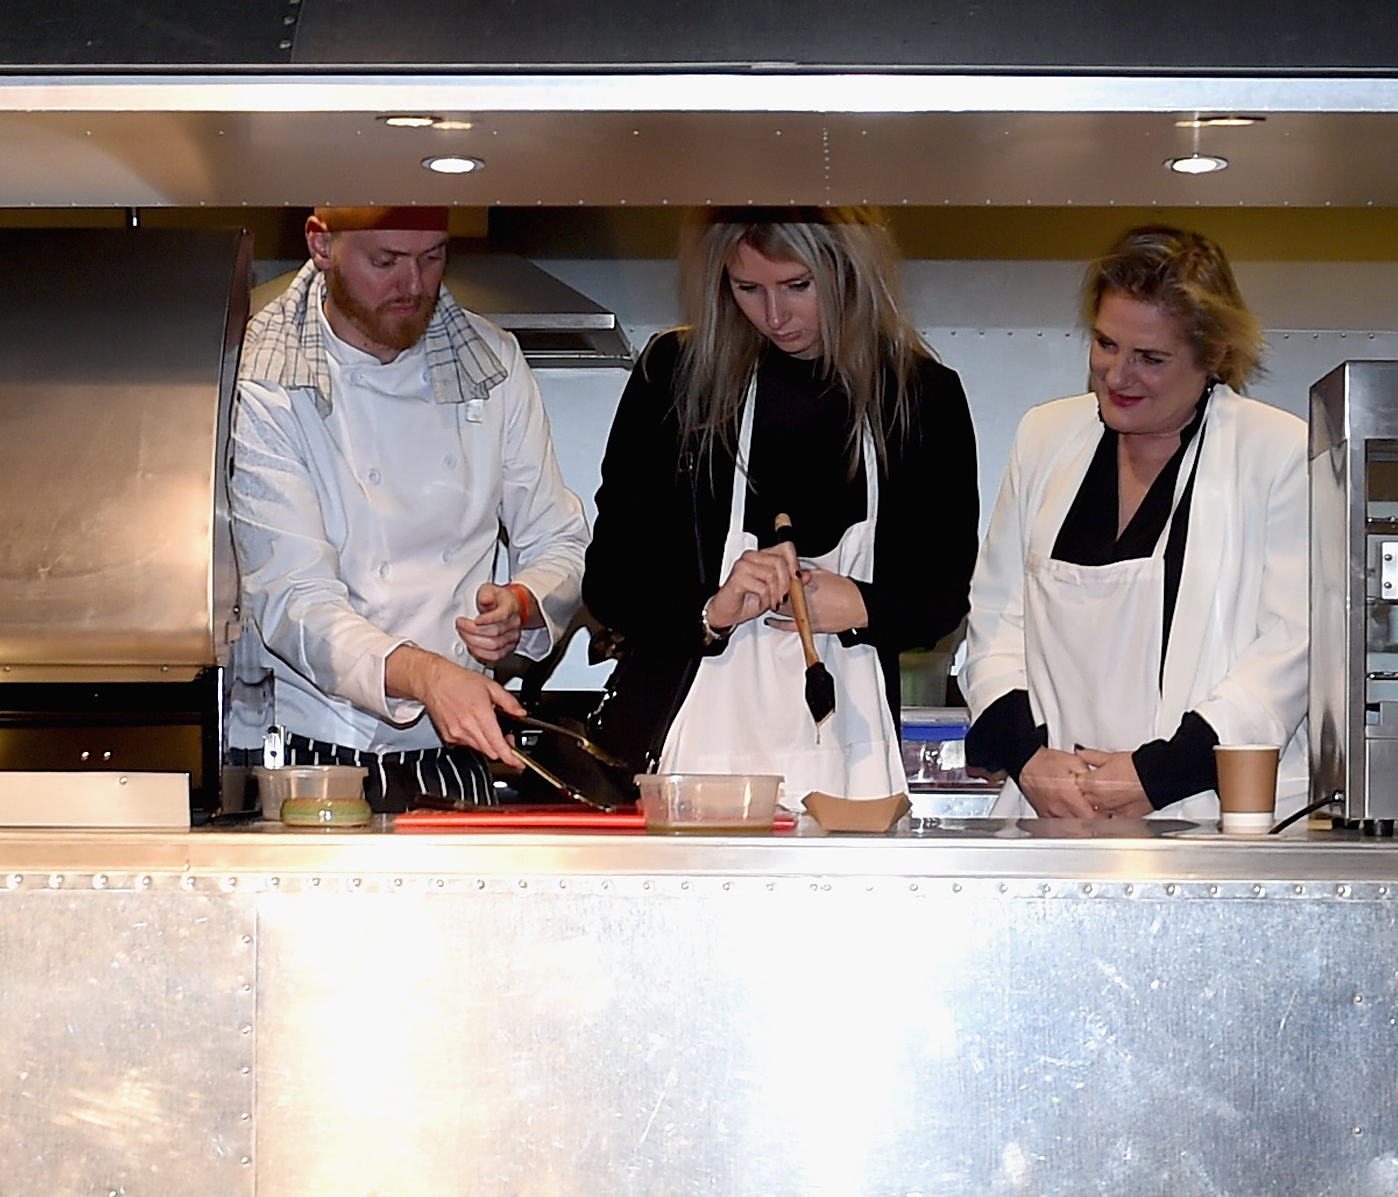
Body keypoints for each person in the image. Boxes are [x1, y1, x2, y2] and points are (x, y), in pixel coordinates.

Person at [581, 209, 981, 805]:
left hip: (851, 754)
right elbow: (609, 580)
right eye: (747, 288)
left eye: (798, 286)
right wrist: (710, 610)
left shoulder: (921, 398)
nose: (774, 316)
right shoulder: (673, 380)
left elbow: (943, 597)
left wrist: (863, 604)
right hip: (680, 752)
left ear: (848, 272)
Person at [227, 206, 591, 811]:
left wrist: (523, 603)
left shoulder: (492, 362)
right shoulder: (264, 380)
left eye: (432, 257)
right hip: (316, 750)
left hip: (458, 746)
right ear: (321, 246)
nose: (415, 285)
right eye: (386, 261)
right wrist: (427, 676)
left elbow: (561, 540)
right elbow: (294, 599)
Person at [958, 224, 1311, 827]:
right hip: (1054, 807)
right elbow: (995, 620)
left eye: (1151, 359)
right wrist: (1029, 758)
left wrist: (1158, 774)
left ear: (1214, 356)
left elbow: (1290, 650)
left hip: (1205, 809)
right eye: (1105, 344)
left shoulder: (1277, 453)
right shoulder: (1043, 437)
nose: (1117, 376)